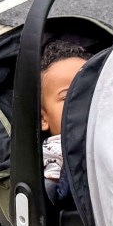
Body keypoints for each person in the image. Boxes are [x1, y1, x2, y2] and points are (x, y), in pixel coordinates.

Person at [41, 39, 90, 198]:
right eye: (68, 96)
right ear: (43, 118)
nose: (82, 101)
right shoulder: (55, 150)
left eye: (90, 91)